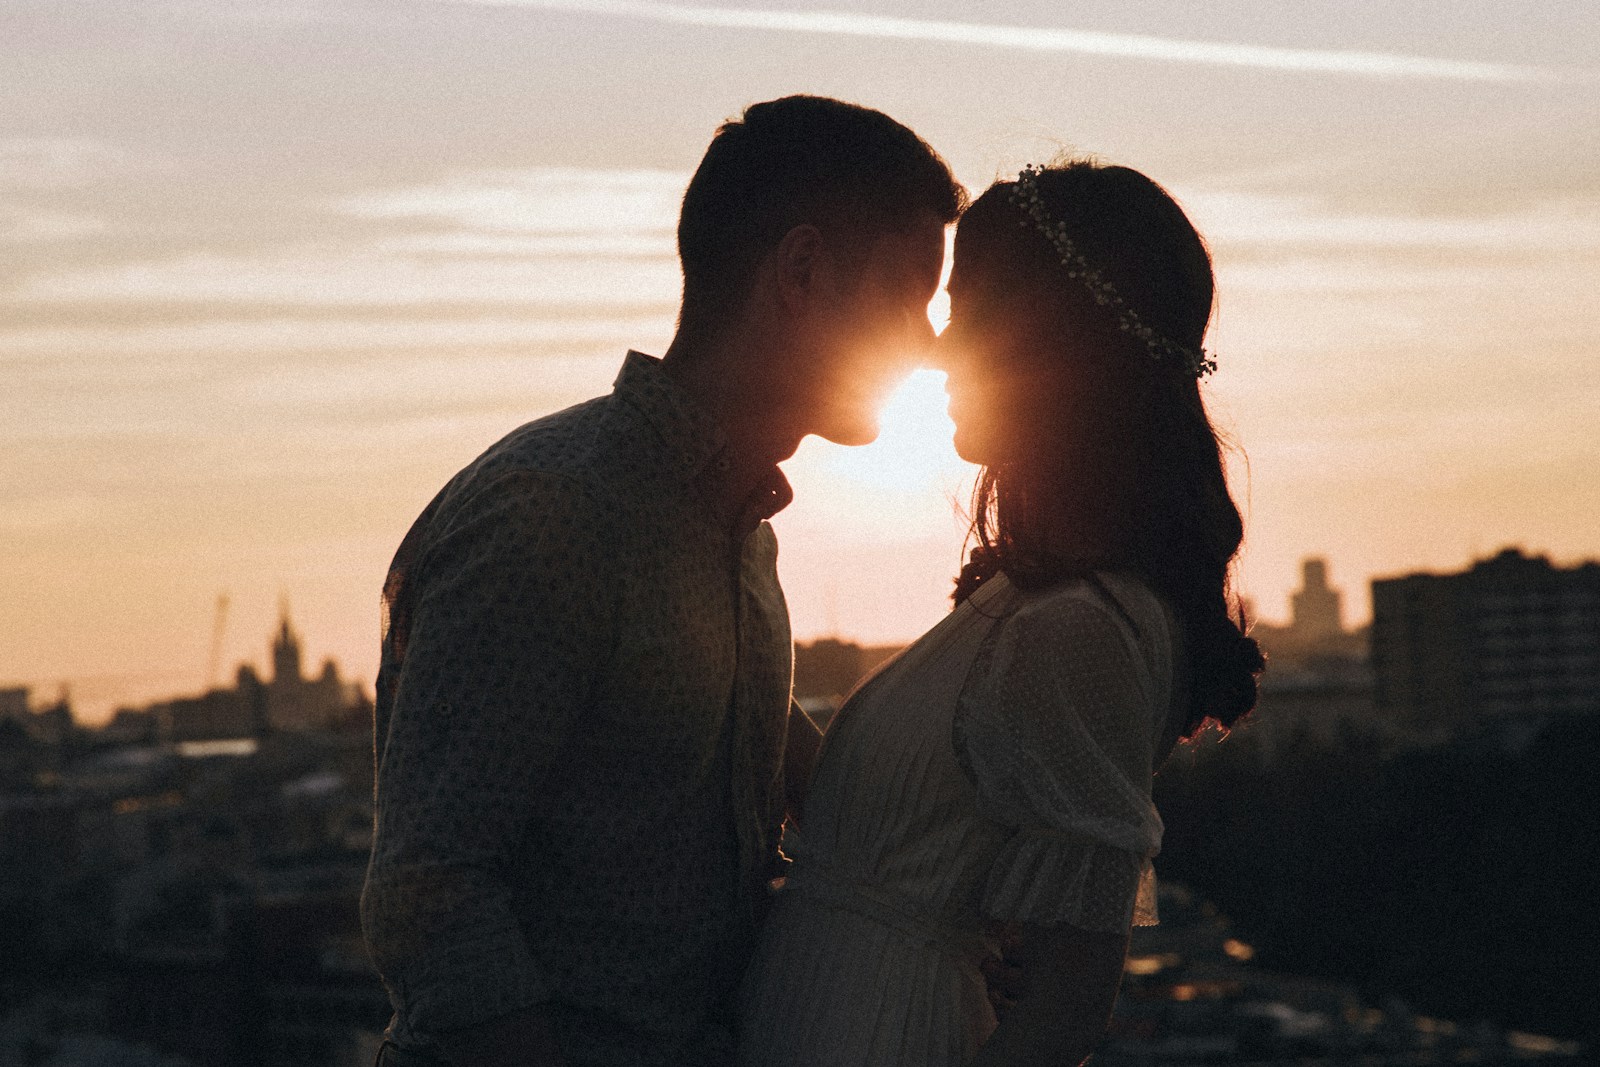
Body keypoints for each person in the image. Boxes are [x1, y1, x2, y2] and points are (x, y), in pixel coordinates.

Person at [360, 96, 964, 1067]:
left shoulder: (736, 529)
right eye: (909, 294)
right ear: (802, 272)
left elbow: (728, 751)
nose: (931, 343)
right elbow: (430, 889)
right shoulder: (548, 515)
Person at [739, 160, 1264, 1067]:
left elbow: (1063, 1008)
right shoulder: (1026, 603)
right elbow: (885, 831)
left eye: (969, 310)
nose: (937, 349)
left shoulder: (1079, 629)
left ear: (1060, 349)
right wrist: (723, 637)